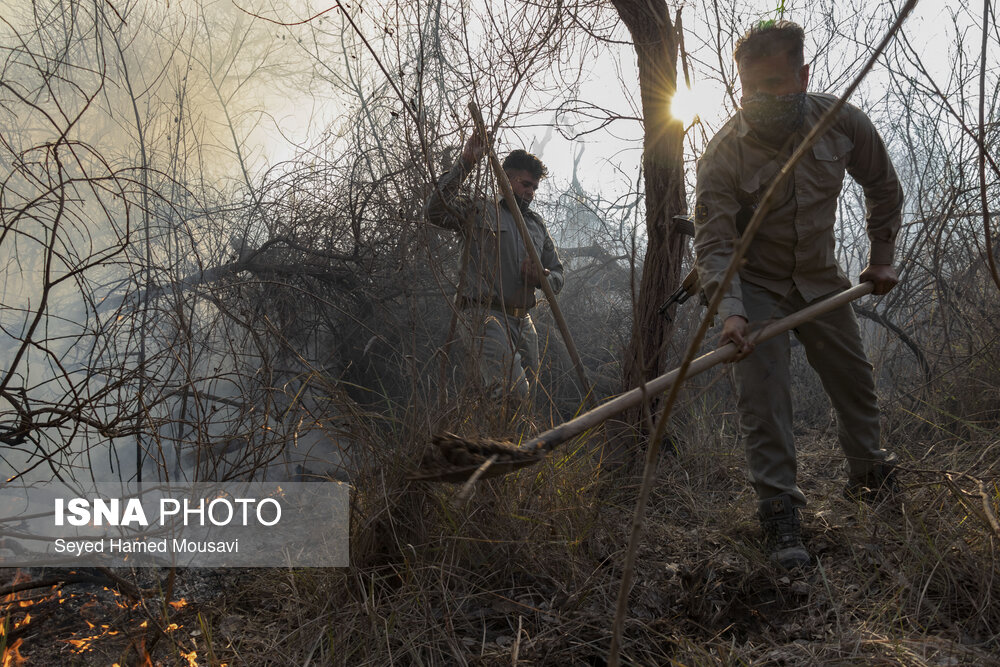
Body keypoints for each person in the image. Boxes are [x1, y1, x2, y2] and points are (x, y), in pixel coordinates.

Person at [693, 20, 904, 569]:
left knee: (855, 381)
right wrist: (732, 313)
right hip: (756, 288)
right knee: (765, 400)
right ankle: (780, 514)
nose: (761, 99)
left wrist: (881, 257)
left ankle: (869, 479)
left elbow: (883, 184)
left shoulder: (841, 123)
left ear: (803, 75)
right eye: (750, 88)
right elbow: (715, 242)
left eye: (775, 84)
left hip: (821, 280)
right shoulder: (723, 153)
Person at [424, 133, 564, 401]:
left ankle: (495, 439)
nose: (530, 192)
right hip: (484, 315)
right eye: (525, 184)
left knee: (528, 392)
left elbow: (557, 272)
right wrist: (465, 163)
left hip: (523, 320)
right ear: (505, 180)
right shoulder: (480, 209)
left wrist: (543, 278)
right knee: (513, 394)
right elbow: (435, 212)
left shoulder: (536, 225)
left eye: (534, 187)